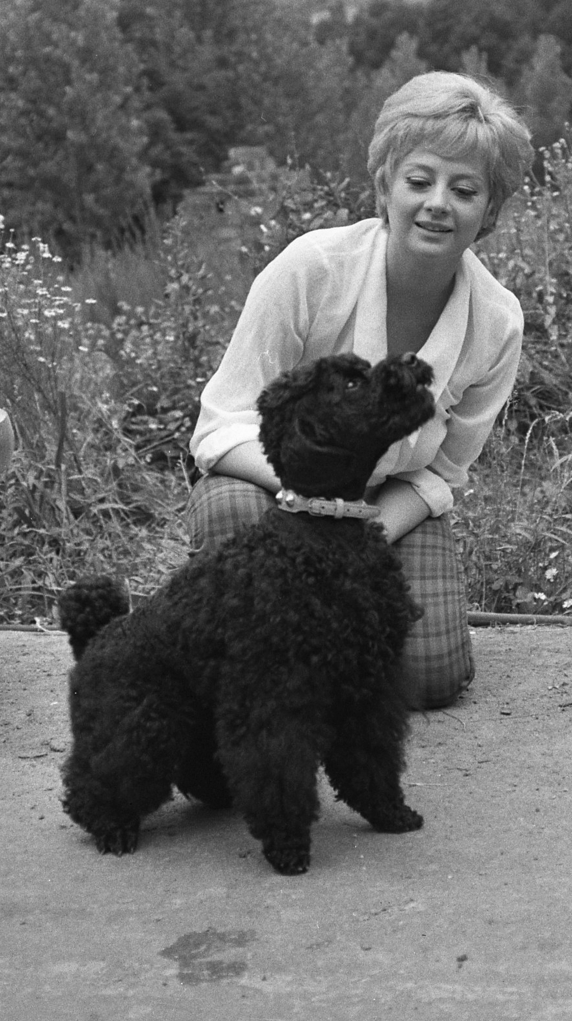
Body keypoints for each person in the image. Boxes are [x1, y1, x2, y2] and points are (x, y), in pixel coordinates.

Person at [188, 71, 533, 709]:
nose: (438, 204)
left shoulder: (498, 322)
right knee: (233, 524)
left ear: (489, 213)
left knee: (429, 677)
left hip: (379, 513)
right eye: (420, 180)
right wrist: (312, 499)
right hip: (270, 491)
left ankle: (311, 666)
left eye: (464, 190)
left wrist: (366, 529)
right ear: (384, 184)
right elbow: (219, 426)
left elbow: (444, 474)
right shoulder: (310, 269)